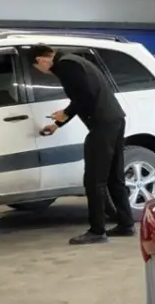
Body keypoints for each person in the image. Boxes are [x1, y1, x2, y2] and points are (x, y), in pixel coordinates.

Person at [31, 46, 134, 245]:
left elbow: (85, 96)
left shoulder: (66, 66)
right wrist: (57, 124)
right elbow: (82, 97)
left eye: (38, 68)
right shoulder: (74, 61)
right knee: (114, 177)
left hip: (102, 125)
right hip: (114, 119)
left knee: (94, 180)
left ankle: (97, 231)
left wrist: (64, 114)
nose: (42, 72)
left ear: (41, 60)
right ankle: (126, 224)